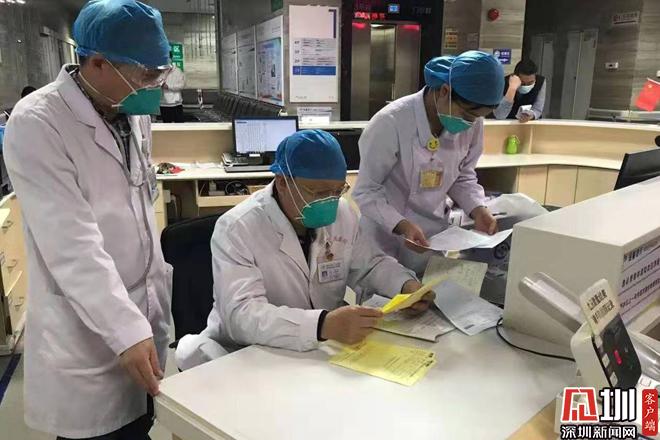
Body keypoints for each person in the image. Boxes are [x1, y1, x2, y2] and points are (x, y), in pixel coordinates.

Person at [3, 1, 174, 439]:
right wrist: (125, 329)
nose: (155, 85)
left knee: (142, 425)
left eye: (161, 72)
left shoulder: (130, 108)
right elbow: (71, 244)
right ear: (97, 63)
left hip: (145, 311)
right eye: (146, 73)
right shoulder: (38, 122)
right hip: (87, 332)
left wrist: (140, 324)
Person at [175, 130, 432, 370]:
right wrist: (321, 325)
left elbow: (370, 265)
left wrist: (405, 286)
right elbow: (241, 316)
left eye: (337, 191)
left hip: (319, 350)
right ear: (282, 182)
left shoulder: (343, 214)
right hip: (249, 354)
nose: (329, 202)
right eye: (319, 192)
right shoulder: (237, 228)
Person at [353, 51, 504, 275]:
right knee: (385, 292)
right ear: (445, 91)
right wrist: (402, 225)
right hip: (385, 236)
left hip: (432, 239)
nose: (470, 123)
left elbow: (462, 176)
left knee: (428, 292)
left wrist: (477, 209)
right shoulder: (391, 122)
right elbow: (366, 191)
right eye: (468, 115)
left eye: (478, 118)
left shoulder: (472, 123)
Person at [160, 56, 185, 122]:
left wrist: (168, 87)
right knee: (166, 126)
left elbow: (181, 85)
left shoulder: (178, 71)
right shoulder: (159, 71)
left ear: (171, 59)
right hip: (163, 103)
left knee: (179, 125)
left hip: (176, 104)